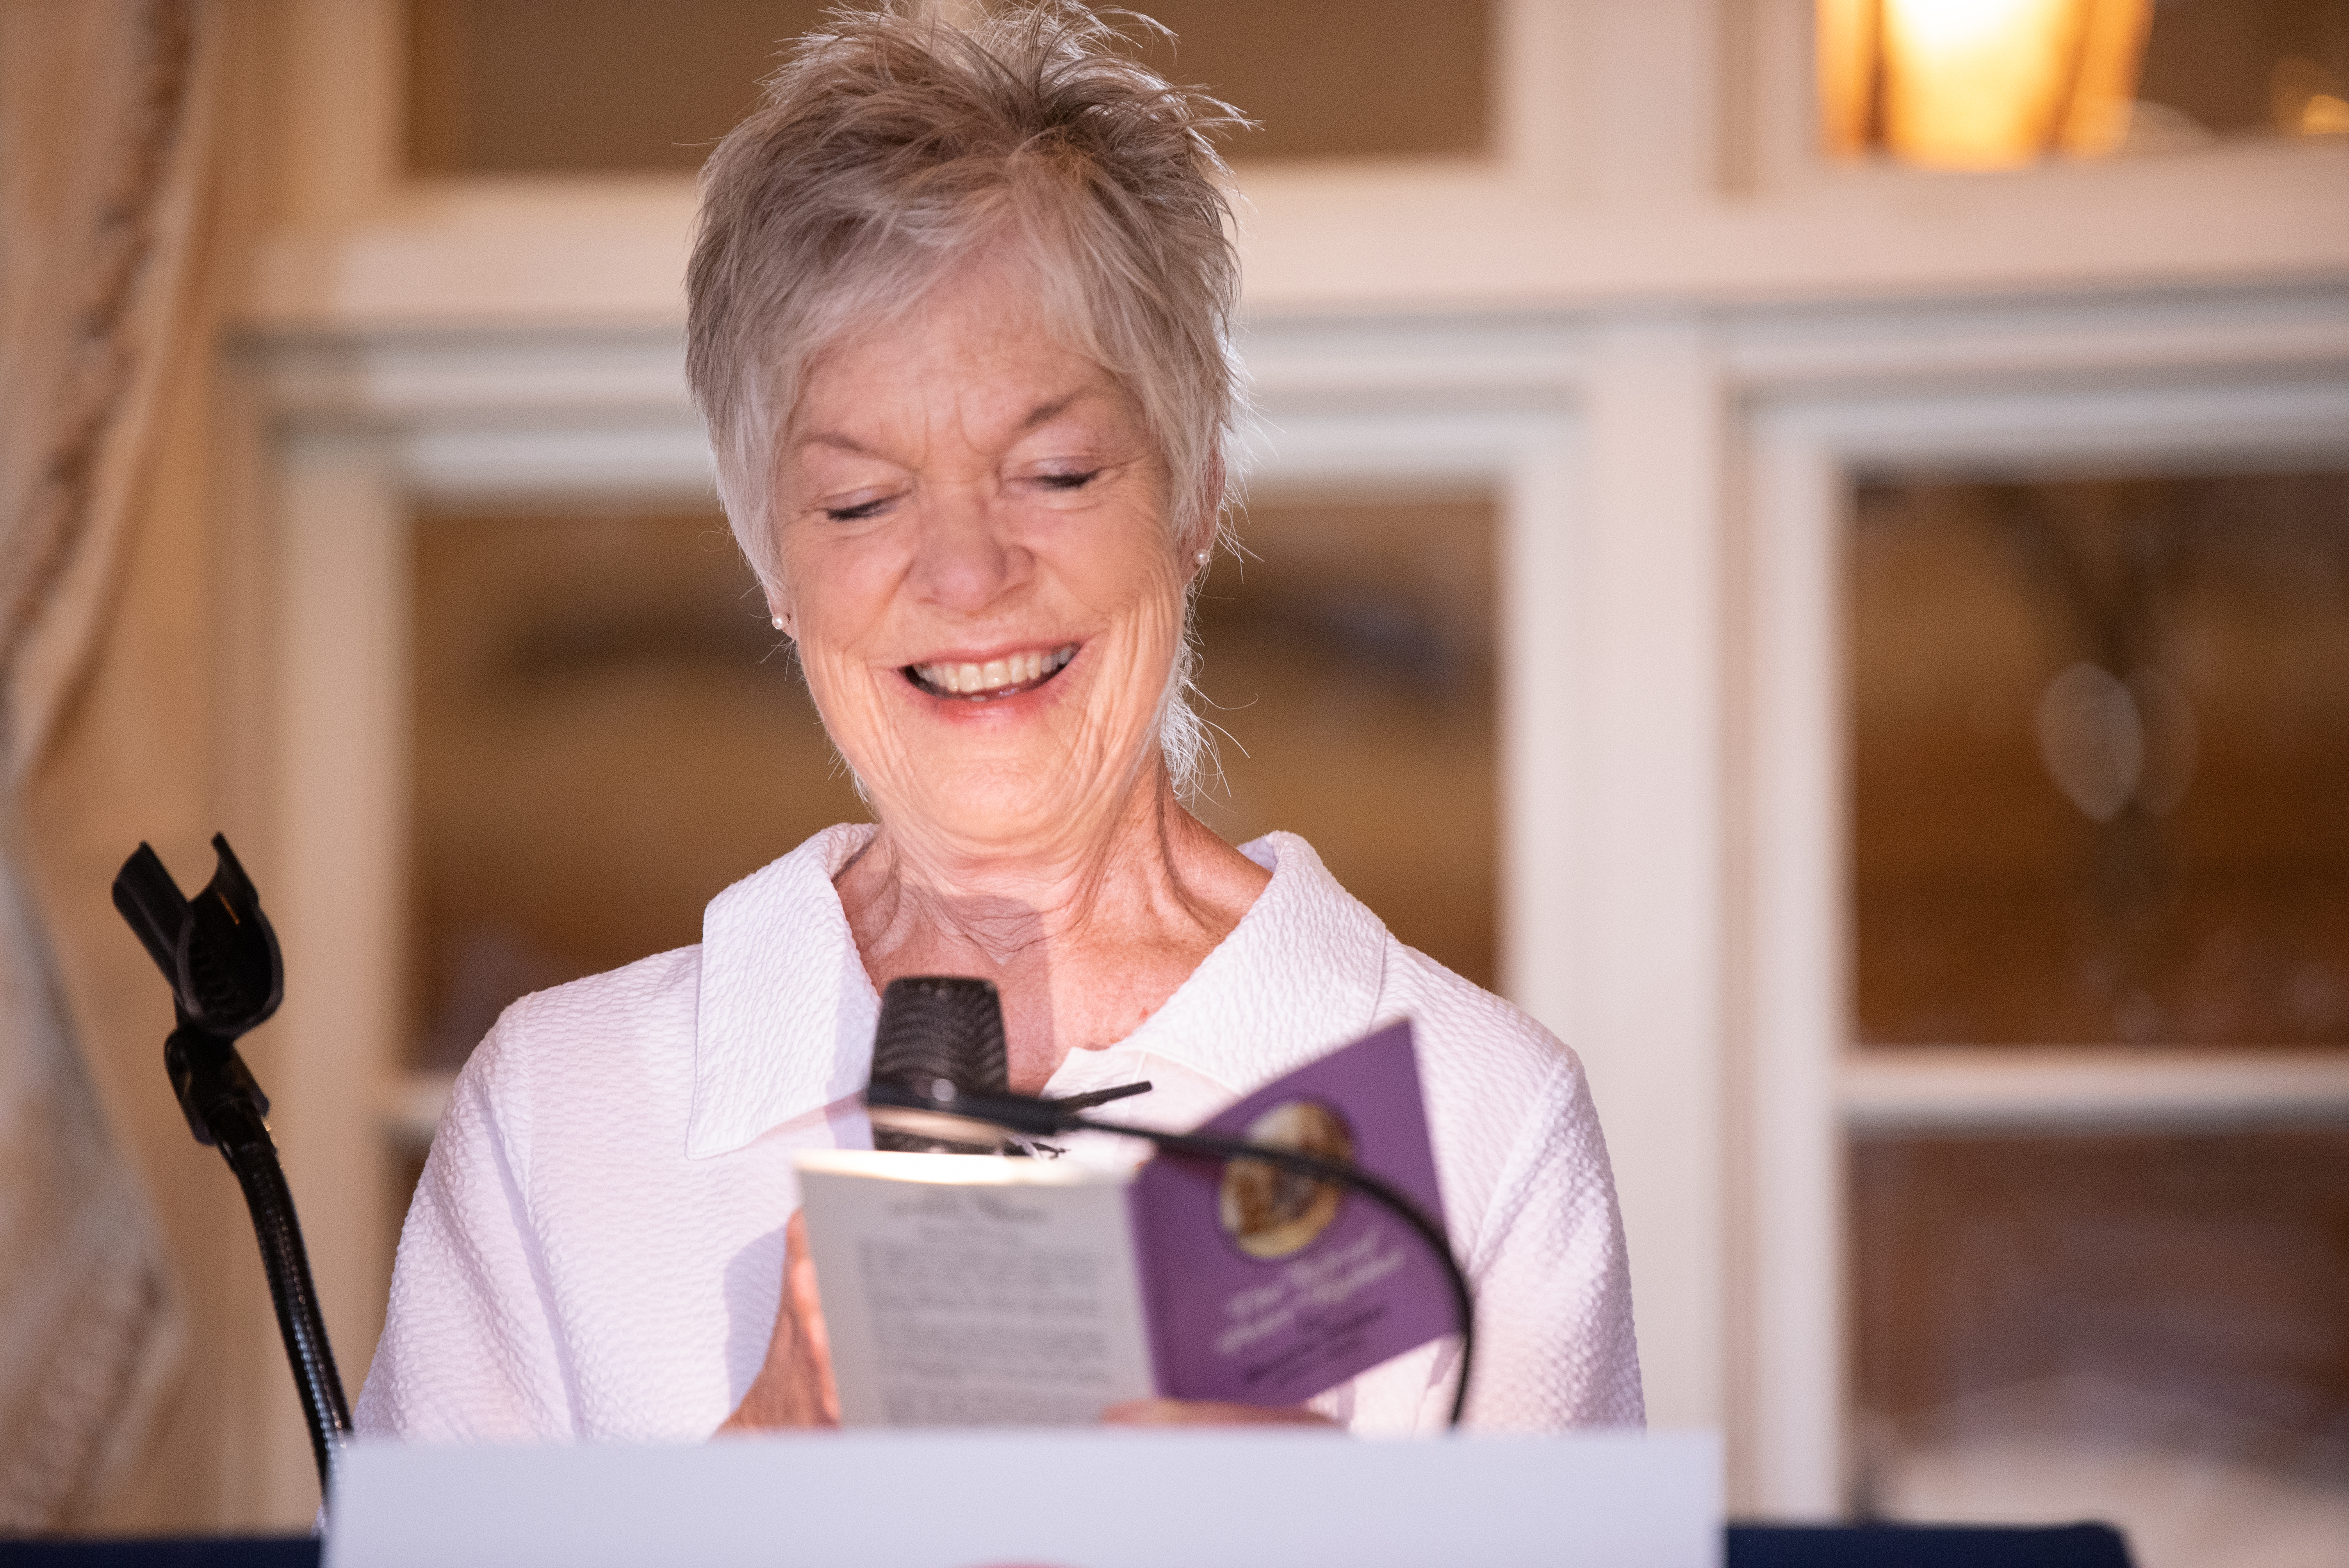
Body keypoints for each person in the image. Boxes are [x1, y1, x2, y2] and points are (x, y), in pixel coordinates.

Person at [354, 0, 1641, 1442]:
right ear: (770, 558)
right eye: (859, 500)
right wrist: (754, 1486)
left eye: (1057, 474)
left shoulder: (1477, 1123)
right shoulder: (558, 1116)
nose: (966, 576)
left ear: (1198, 490)